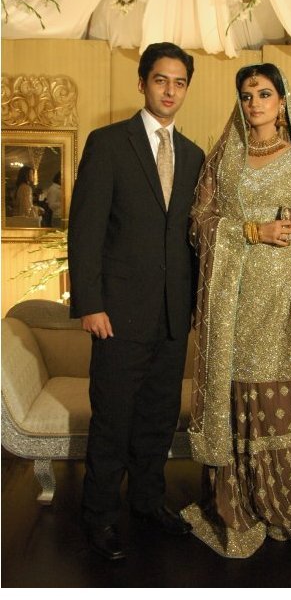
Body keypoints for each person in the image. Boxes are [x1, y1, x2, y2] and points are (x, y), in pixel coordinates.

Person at [181, 63, 291, 558]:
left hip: (282, 295)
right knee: (236, 387)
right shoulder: (225, 157)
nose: (254, 103)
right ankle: (240, 504)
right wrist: (253, 231)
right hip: (231, 298)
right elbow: (199, 220)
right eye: (247, 95)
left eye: (264, 94)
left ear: (282, 102)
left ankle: (287, 500)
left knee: (285, 387)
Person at [68, 42, 205, 560]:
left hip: (172, 317)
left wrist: (193, 309)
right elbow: (85, 231)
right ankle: (99, 516)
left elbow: (191, 238)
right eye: (160, 80)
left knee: (156, 419)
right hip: (117, 316)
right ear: (143, 83)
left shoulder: (193, 155)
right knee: (112, 420)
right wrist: (90, 304)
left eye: (179, 82)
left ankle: (147, 503)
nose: (170, 91)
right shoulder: (107, 144)